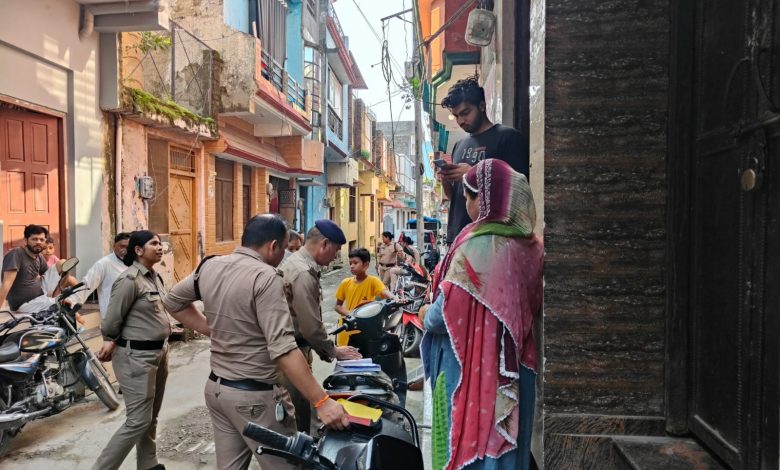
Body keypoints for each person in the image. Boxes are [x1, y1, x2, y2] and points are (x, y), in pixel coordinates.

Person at [162, 214, 349, 470]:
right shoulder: (266, 277)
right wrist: (322, 401)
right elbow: (284, 349)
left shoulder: (210, 265)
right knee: (289, 465)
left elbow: (172, 301)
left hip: (218, 390)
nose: (284, 256)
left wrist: (213, 329)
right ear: (273, 246)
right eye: (284, 249)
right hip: (255, 398)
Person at [420, 159, 543, 470]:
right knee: (507, 447)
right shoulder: (530, 245)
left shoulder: (478, 247)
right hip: (513, 368)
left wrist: (423, 313)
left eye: (468, 197)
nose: (466, 205)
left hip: (471, 367)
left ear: (486, 200)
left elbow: (441, 315)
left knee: (469, 445)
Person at [93, 230, 210, 470]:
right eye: (153, 243)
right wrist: (109, 340)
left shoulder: (154, 277)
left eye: (160, 243)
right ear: (138, 250)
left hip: (158, 353)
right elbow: (112, 320)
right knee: (137, 420)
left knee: (151, 416)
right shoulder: (129, 280)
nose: (160, 247)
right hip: (136, 357)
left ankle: (148, 464)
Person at [278, 220, 361, 433]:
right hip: (291, 352)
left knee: (300, 411)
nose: (335, 256)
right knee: (298, 417)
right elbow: (310, 327)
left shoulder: (298, 263)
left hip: (295, 350)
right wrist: (333, 351)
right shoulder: (303, 272)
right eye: (336, 250)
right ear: (324, 244)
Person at [438, 75, 530, 245]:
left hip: (491, 239)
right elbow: (457, 198)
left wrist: (472, 173)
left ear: (481, 106)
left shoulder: (508, 138)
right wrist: (445, 180)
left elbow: (518, 192)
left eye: (465, 113)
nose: (460, 121)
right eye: (456, 115)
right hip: (458, 236)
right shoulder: (459, 145)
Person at [335, 248, 397, 346]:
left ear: (366, 265)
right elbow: (337, 306)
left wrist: (395, 299)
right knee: (345, 354)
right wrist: (350, 314)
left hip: (365, 328)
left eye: (355, 263)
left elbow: (385, 292)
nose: (352, 266)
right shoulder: (345, 283)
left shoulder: (373, 281)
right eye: (350, 263)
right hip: (347, 328)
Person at [69, 232, 131, 318]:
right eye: (122, 246)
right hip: (112, 318)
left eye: (128, 247)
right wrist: (70, 301)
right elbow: (87, 284)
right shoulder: (104, 264)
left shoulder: (138, 264)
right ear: (114, 246)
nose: (125, 250)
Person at [0, 225, 52, 311]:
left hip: (40, 298)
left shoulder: (39, 256)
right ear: (25, 241)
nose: (38, 242)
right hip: (25, 304)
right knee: (63, 306)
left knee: (62, 266)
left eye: (42, 239)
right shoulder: (16, 254)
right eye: (34, 239)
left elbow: (50, 277)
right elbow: (6, 284)